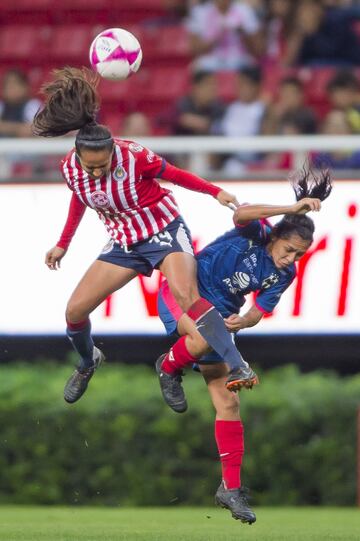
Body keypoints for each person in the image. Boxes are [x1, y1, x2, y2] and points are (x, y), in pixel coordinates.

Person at [32, 67, 257, 404]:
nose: (96, 172)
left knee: (186, 296)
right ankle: (87, 360)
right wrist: (63, 243)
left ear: (112, 153)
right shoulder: (70, 169)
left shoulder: (133, 156)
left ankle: (234, 365)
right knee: (75, 312)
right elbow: (80, 198)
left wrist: (214, 191)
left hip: (163, 231)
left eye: (103, 166)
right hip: (124, 241)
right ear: (78, 156)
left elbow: (175, 175)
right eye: (90, 167)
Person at [156, 165, 332, 522]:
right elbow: (241, 212)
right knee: (205, 335)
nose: (291, 259)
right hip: (186, 294)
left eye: (299, 255)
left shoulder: (285, 273)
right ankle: (169, 367)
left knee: (229, 402)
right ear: (275, 236)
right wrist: (290, 208)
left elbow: (256, 312)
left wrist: (244, 320)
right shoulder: (257, 229)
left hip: (219, 319)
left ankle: (230, 489)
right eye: (288, 250)